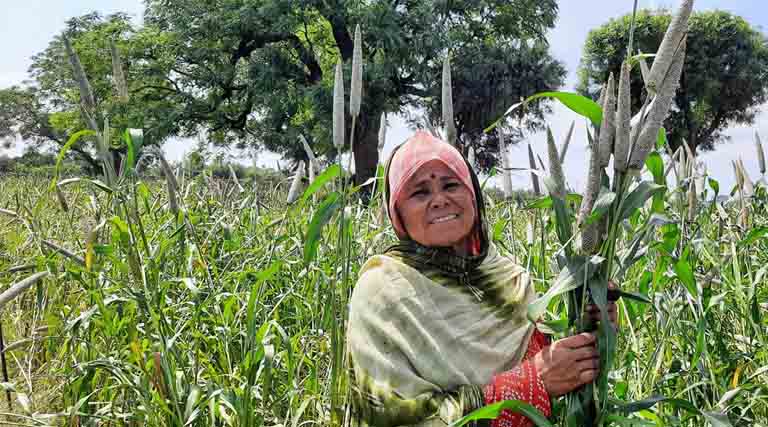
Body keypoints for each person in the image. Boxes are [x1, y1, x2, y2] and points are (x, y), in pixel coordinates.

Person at [345, 131, 618, 427]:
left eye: (451, 185)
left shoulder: (509, 281)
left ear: (473, 197)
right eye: (419, 192)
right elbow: (389, 418)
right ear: (397, 212)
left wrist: (592, 326)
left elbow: (552, 369)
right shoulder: (382, 294)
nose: (439, 200)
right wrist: (529, 385)